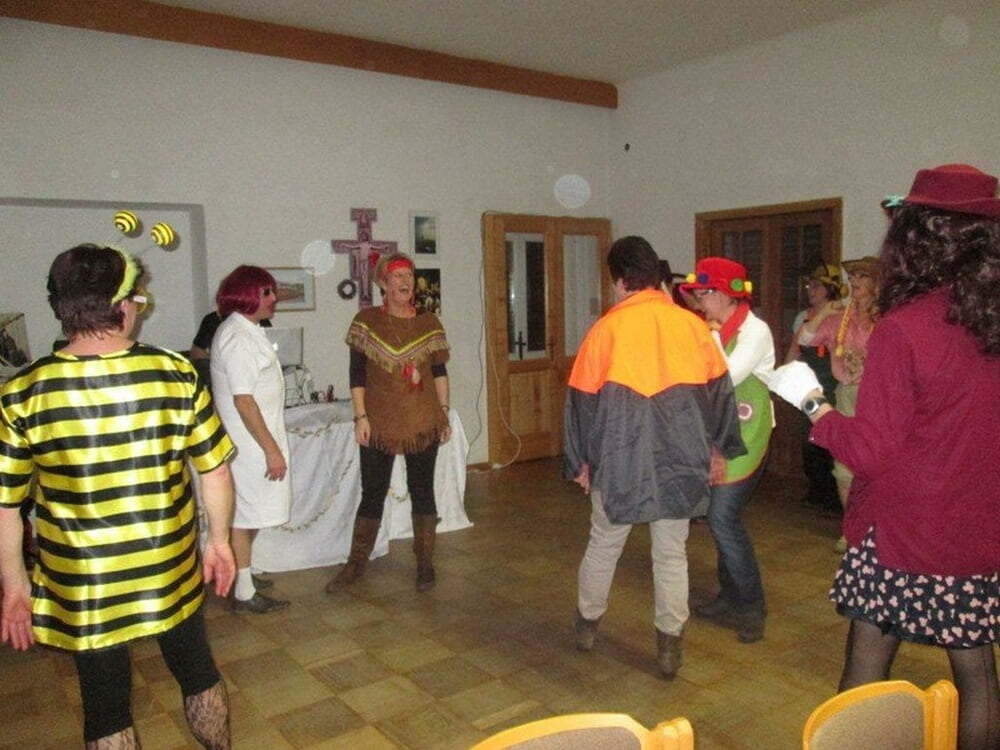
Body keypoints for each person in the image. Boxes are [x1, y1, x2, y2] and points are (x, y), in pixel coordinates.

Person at [768, 163, 1000, 750]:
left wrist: (813, 404)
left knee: (865, 672)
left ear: (917, 238)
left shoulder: (906, 327)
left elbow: (870, 452)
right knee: (977, 675)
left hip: (904, 528)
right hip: (977, 522)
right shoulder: (992, 323)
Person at [0, 244, 236, 748]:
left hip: (84, 578)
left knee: (104, 700)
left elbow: (5, 505)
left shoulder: (23, 391)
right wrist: (219, 542)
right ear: (122, 304)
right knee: (196, 668)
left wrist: (15, 585)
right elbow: (213, 469)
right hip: (166, 561)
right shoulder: (174, 372)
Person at [565, 236, 745, 678]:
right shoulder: (693, 327)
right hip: (680, 460)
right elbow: (721, 395)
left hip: (617, 460)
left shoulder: (605, 330)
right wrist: (720, 449)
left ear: (620, 280)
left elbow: (581, 404)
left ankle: (587, 626)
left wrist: (581, 461)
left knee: (604, 544)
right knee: (671, 554)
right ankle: (669, 646)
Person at [328, 252, 451, 592]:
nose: (405, 282)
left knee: (423, 491)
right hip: (379, 421)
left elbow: (439, 371)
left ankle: (425, 563)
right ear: (383, 283)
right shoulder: (366, 322)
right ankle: (355, 564)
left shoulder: (429, 322)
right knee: (373, 492)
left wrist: (443, 412)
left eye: (409, 275)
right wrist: (360, 416)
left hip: (423, 419)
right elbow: (356, 374)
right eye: (397, 276)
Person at [680, 258, 775, 643]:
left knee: (722, 517)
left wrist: (713, 335)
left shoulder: (756, 330)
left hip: (748, 434)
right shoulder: (713, 328)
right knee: (722, 518)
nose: (699, 302)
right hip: (720, 432)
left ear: (723, 294)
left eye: (703, 294)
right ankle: (731, 595)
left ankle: (752, 606)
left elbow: (724, 376)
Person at [210, 265, 291, 614]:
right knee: (244, 516)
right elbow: (244, 401)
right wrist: (271, 450)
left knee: (253, 513)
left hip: (255, 441)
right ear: (246, 295)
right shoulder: (237, 337)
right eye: (266, 293)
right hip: (248, 446)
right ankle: (243, 592)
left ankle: (241, 574)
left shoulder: (247, 330)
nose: (274, 299)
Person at [795, 254, 879, 550]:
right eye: (852, 277)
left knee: (875, 466)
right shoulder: (839, 318)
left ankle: (876, 529)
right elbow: (805, 339)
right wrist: (824, 313)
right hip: (846, 394)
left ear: (878, 284)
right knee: (844, 467)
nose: (854, 282)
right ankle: (852, 528)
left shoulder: (887, 318)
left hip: (878, 398)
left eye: (862, 277)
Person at [785, 263, 843, 512]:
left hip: (832, 385)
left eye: (817, 286)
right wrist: (783, 374)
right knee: (810, 441)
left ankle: (834, 499)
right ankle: (817, 493)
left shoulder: (841, 316)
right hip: (808, 386)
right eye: (810, 285)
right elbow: (795, 348)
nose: (811, 289)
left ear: (831, 289)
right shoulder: (803, 318)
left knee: (830, 442)